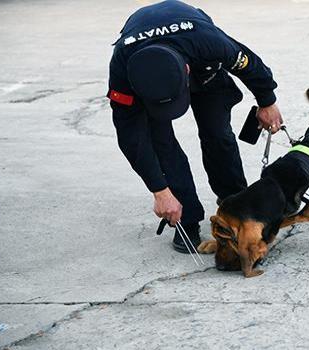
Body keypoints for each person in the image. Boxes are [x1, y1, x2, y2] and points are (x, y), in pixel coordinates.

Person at [107, 0, 283, 253]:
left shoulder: (208, 42)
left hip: (205, 70)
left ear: (186, 70)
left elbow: (249, 63)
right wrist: (160, 191)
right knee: (162, 144)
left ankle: (235, 206)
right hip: (152, 70)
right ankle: (186, 220)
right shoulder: (123, 70)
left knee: (217, 133)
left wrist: (267, 101)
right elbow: (131, 137)